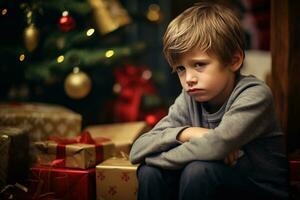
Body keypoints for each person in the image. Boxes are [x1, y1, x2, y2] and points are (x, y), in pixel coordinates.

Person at [129, 1, 289, 200]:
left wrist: (156, 157)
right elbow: (137, 150)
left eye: (199, 65)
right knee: (149, 173)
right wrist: (188, 133)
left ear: (234, 60)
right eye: (181, 69)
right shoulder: (188, 99)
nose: (188, 79)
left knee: (199, 170)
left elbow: (215, 146)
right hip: (211, 183)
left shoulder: (254, 95)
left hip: (260, 192)